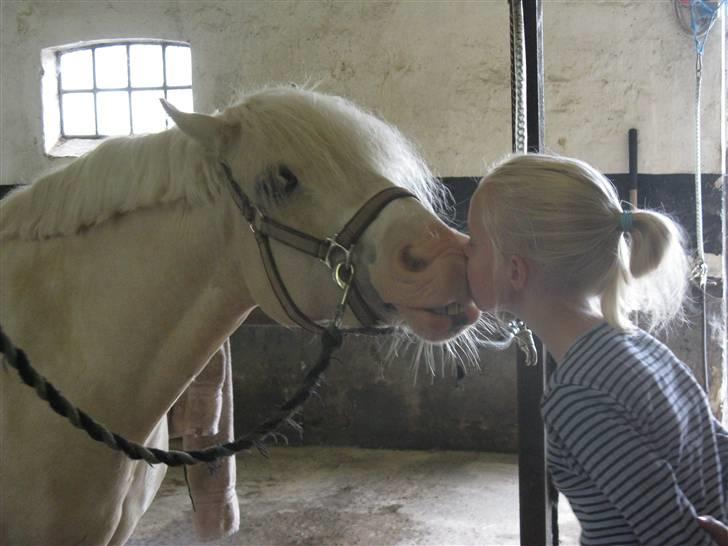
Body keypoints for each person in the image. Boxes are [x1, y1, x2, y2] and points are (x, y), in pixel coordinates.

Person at [465, 153, 727, 545]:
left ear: (514, 271)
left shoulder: (578, 396)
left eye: (473, 245)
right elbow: (717, 448)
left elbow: (676, 536)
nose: (462, 253)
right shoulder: (641, 348)